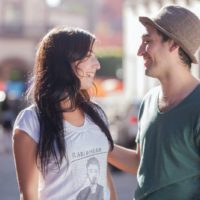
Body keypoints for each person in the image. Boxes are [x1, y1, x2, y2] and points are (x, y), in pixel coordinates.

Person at [13, 27, 116, 200]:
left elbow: (106, 180)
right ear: (64, 62)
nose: (97, 64)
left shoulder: (96, 114)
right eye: (88, 55)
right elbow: (28, 195)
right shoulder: (31, 121)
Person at [108, 4, 200, 200]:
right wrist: (98, 143)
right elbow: (141, 163)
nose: (140, 51)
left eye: (148, 41)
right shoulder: (149, 100)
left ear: (174, 44)